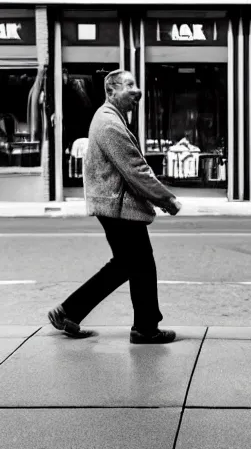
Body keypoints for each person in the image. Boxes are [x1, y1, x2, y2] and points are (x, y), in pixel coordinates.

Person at [48, 69, 182, 344]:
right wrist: (167, 199)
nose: (137, 92)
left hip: (114, 205)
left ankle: (70, 311)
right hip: (117, 207)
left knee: (126, 265)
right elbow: (135, 169)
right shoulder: (110, 123)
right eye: (129, 86)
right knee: (142, 264)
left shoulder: (110, 119)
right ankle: (145, 328)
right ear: (111, 91)